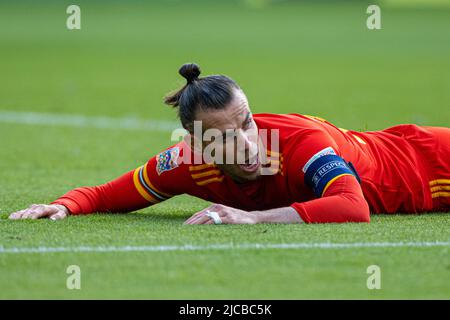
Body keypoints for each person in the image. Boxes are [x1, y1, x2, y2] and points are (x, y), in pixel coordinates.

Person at [9, 63, 450, 224]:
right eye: (222, 137)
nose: (245, 143)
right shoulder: (186, 163)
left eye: (247, 123)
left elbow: (352, 206)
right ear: (198, 144)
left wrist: (252, 219)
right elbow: (108, 194)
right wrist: (64, 204)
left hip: (433, 165)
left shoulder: (299, 143)